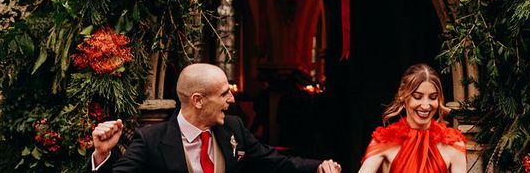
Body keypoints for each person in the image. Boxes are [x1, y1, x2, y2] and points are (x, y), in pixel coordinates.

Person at [90, 63, 342, 173]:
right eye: (223, 94)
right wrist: (102, 155)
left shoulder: (233, 128)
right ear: (198, 100)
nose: (232, 101)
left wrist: (318, 167)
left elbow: (274, 162)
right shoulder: (151, 139)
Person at [357, 64, 466, 173]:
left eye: (433, 97)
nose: (425, 105)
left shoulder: (454, 144)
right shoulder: (384, 141)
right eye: (417, 97)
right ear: (402, 95)